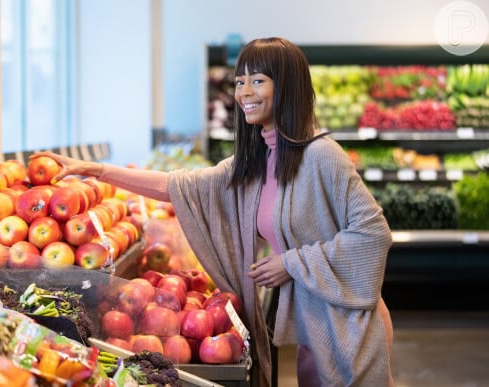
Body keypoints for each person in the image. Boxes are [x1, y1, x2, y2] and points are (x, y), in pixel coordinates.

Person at [33, 37, 394, 387]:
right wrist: (97, 171)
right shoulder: (258, 161)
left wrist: (291, 263)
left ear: (287, 86)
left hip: (348, 324)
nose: (244, 92)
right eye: (240, 82)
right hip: (312, 323)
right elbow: (179, 185)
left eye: (258, 81)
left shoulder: (321, 155)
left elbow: (373, 233)